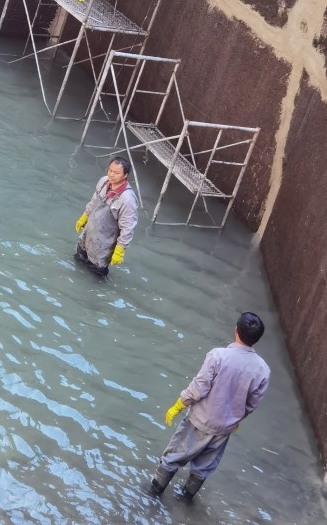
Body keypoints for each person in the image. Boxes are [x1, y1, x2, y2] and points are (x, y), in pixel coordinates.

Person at [150, 313, 270, 499]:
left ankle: (153, 495)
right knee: (203, 468)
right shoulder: (263, 370)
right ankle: (186, 501)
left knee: (172, 458)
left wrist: (178, 405)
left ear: (236, 330)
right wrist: (236, 419)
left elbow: (198, 388)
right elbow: (252, 404)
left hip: (199, 420)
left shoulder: (218, 356)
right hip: (224, 428)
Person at [74, 156, 139, 277]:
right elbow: (93, 202)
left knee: (95, 274)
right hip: (89, 234)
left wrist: (119, 250)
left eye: (116, 173)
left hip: (104, 244)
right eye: (110, 170)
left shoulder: (127, 199)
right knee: (78, 260)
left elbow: (127, 228)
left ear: (125, 175)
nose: (111, 175)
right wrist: (84, 217)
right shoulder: (103, 181)